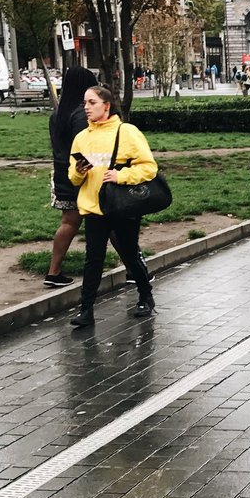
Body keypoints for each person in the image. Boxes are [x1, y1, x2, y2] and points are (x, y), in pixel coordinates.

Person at [67, 86, 157, 328]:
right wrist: (78, 172)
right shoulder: (81, 137)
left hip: (122, 206)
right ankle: (86, 310)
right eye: (85, 102)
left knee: (129, 253)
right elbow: (73, 177)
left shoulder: (126, 132)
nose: (86, 107)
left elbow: (149, 167)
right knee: (93, 259)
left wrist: (121, 176)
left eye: (92, 102)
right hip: (94, 208)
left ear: (106, 105)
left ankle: (145, 296)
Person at [45, 66, 99, 287]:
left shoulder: (57, 114)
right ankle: (134, 268)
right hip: (81, 176)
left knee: (68, 222)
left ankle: (53, 272)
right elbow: (82, 150)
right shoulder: (80, 115)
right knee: (109, 220)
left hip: (60, 173)